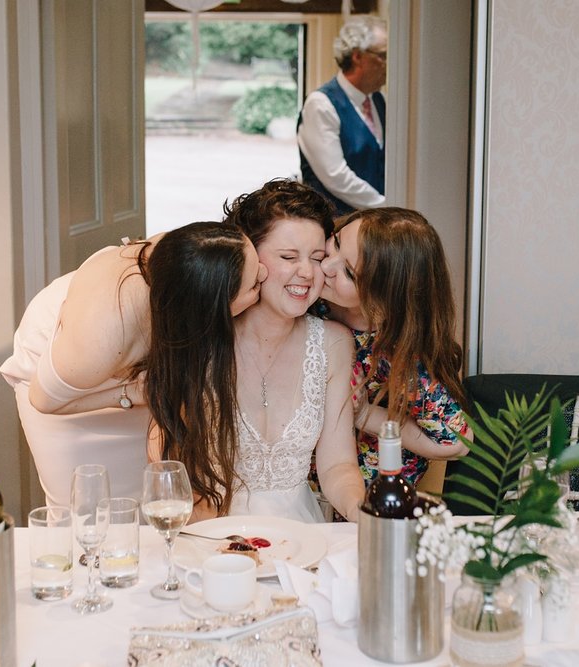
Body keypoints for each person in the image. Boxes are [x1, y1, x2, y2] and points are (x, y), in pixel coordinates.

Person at [0, 222, 265, 507]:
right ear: (214, 307)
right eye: (255, 284)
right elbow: (43, 400)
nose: (264, 273)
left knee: (142, 498)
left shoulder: (194, 258)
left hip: (126, 353)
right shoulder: (99, 339)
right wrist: (134, 393)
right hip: (62, 375)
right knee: (86, 505)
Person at [151, 180, 365, 523]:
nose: (307, 273)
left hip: (301, 532)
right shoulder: (205, 339)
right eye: (288, 257)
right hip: (212, 528)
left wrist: (366, 514)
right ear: (250, 257)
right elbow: (180, 473)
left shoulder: (334, 343)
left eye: (317, 257)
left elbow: (337, 465)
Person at [318, 207, 469, 489]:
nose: (327, 266)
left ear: (384, 298)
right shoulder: (314, 302)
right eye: (336, 242)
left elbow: (455, 442)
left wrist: (365, 415)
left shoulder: (397, 352)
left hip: (368, 499)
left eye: (349, 273)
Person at [297, 15, 387, 216]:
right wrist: (386, 206)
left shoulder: (379, 101)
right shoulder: (321, 104)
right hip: (337, 225)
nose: (388, 64)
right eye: (382, 55)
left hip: (375, 225)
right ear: (358, 57)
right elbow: (336, 176)